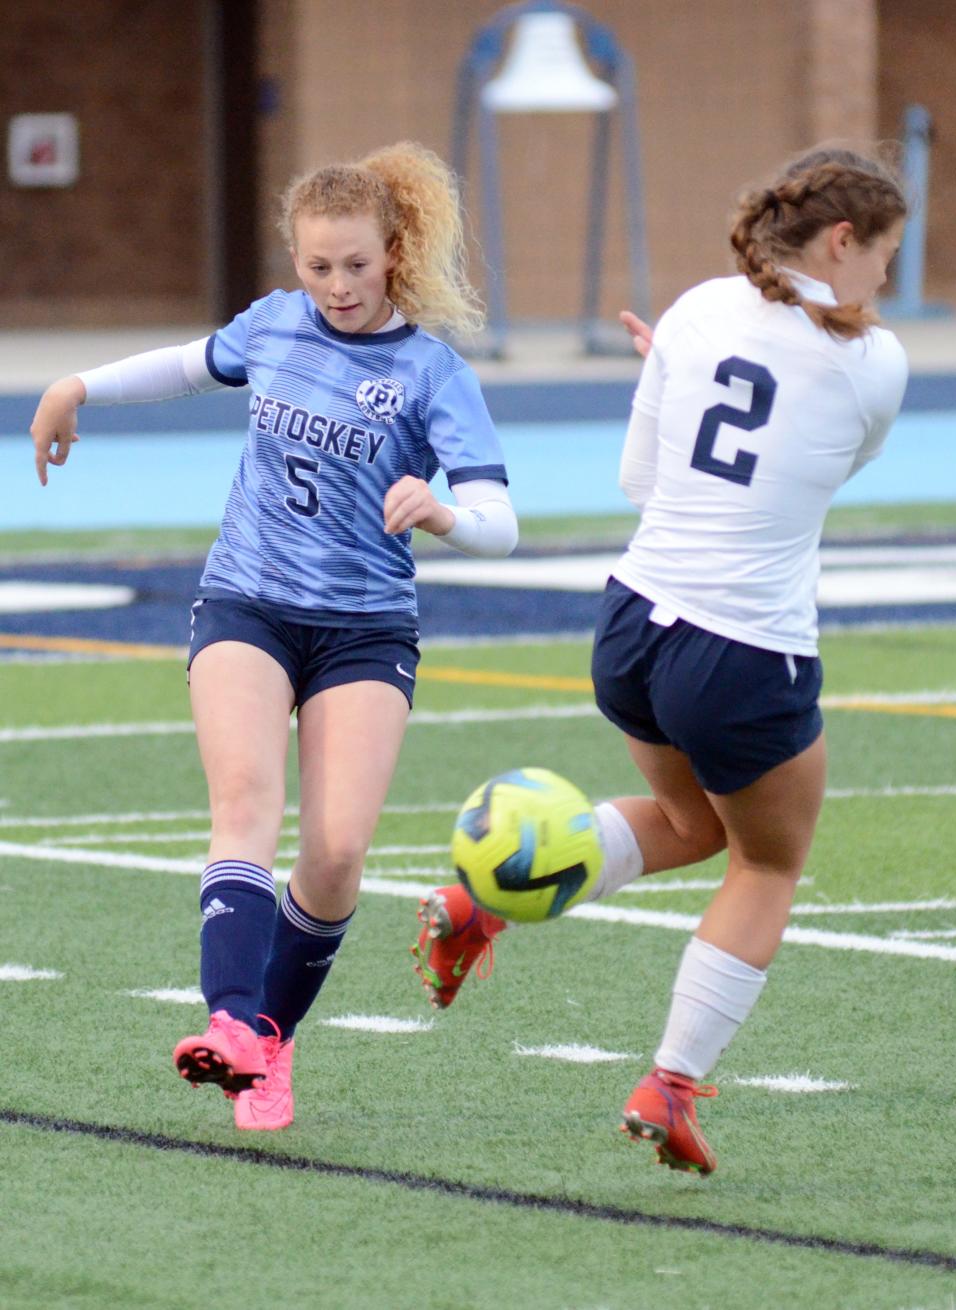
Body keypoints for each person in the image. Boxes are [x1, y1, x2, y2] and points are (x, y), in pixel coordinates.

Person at [411, 144, 908, 1174]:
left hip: (633, 623)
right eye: (887, 254)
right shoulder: (876, 362)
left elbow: (644, 479)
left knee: (691, 824)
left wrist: (672, 381)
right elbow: (826, 466)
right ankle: (671, 1082)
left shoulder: (691, 311)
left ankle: (479, 900)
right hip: (743, 646)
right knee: (766, 859)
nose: (889, 281)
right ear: (843, 238)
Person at [31, 141, 519, 1131]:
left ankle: (267, 1037)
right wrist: (75, 385)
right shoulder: (274, 323)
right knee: (246, 803)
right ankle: (225, 1021)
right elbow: (185, 363)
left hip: (365, 627)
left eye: (354, 264)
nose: (335, 285)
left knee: (337, 852)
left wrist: (442, 514)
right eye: (315, 265)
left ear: (393, 252)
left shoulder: (432, 373)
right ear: (294, 260)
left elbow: (502, 524)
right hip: (246, 603)